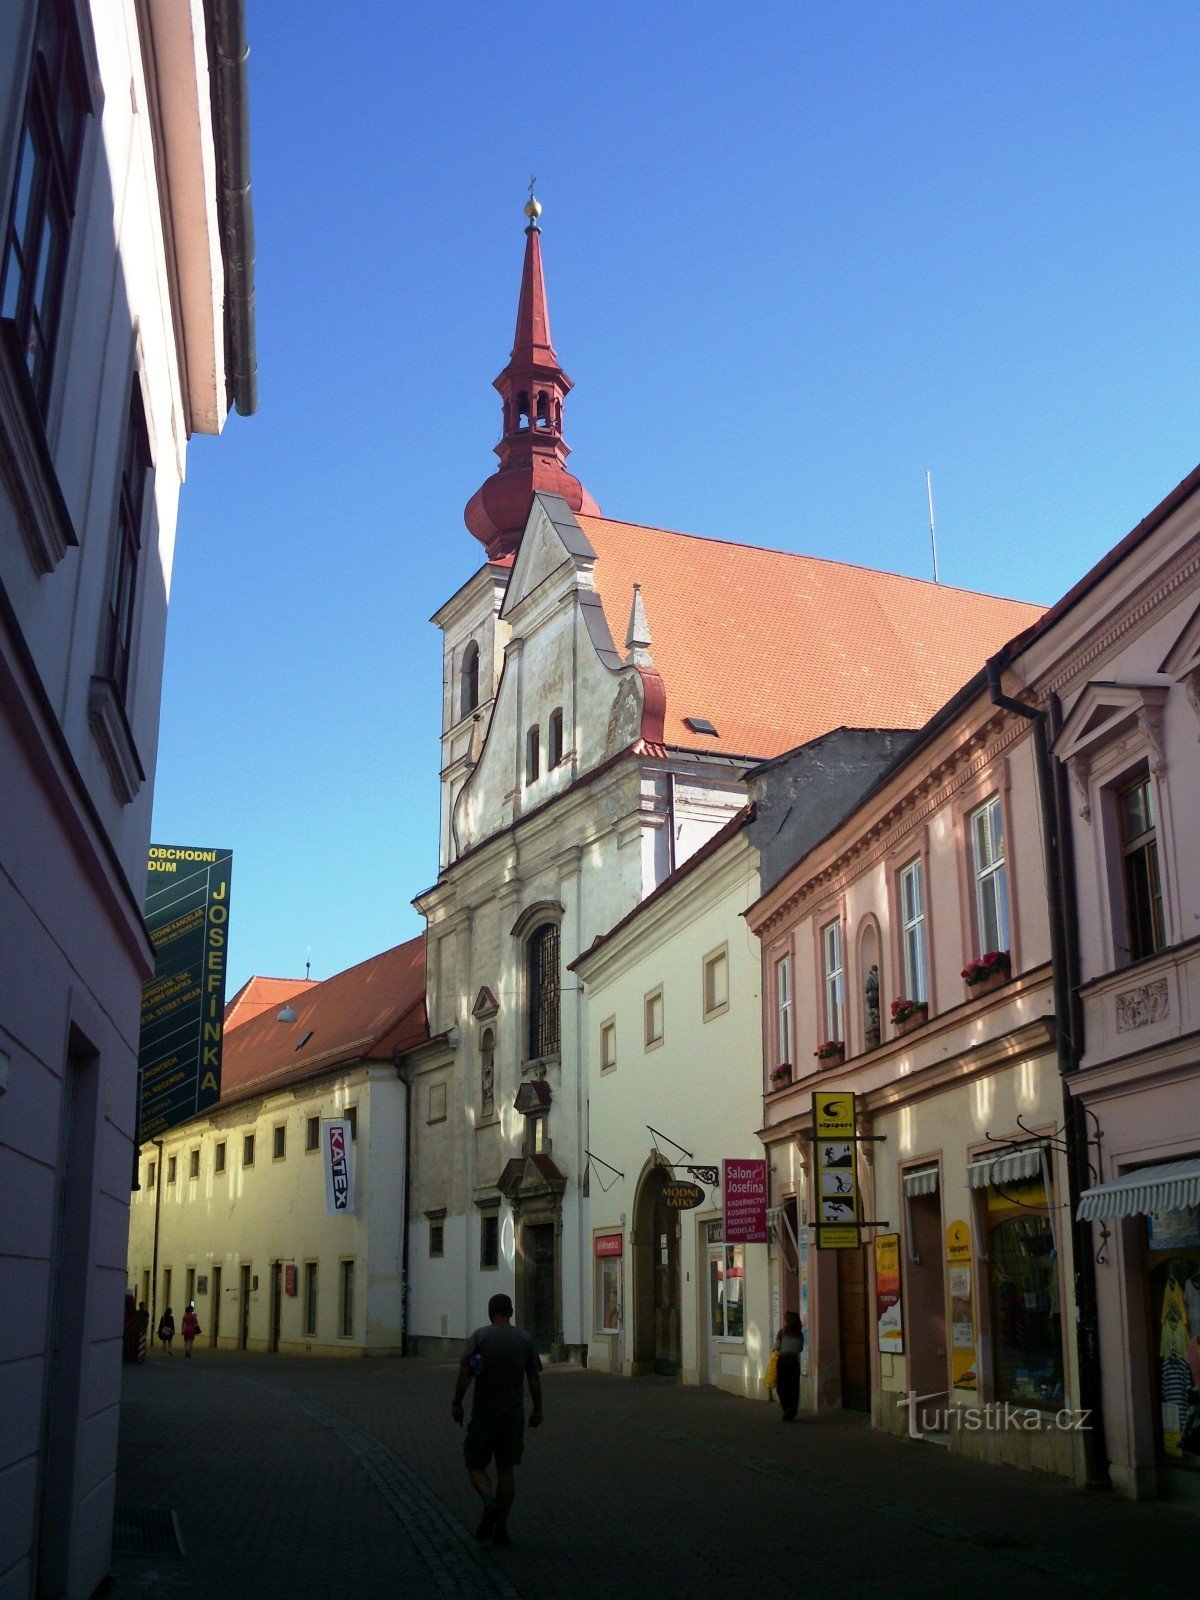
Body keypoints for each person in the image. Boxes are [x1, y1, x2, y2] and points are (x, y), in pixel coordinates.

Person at [451, 1292, 542, 1547]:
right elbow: (534, 1378)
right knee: (506, 1470)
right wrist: (538, 1410)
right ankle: (501, 1526)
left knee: (474, 1463)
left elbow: (465, 1372)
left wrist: (457, 1404)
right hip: (513, 1414)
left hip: (484, 1414)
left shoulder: (480, 1336)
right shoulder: (525, 1339)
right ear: (511, 1313)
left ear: (490, 1313)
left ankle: (489, 1501)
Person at [774, 1310, 804, 1422]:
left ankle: (786, 1408)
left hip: (782, 1362)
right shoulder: (799, 1334)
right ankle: (791, 1411)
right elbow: (800, 1349)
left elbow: (777, 1347)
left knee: (781, 1387)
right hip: (793, 1363)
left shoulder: (782, 1332)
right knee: (793, 1387)